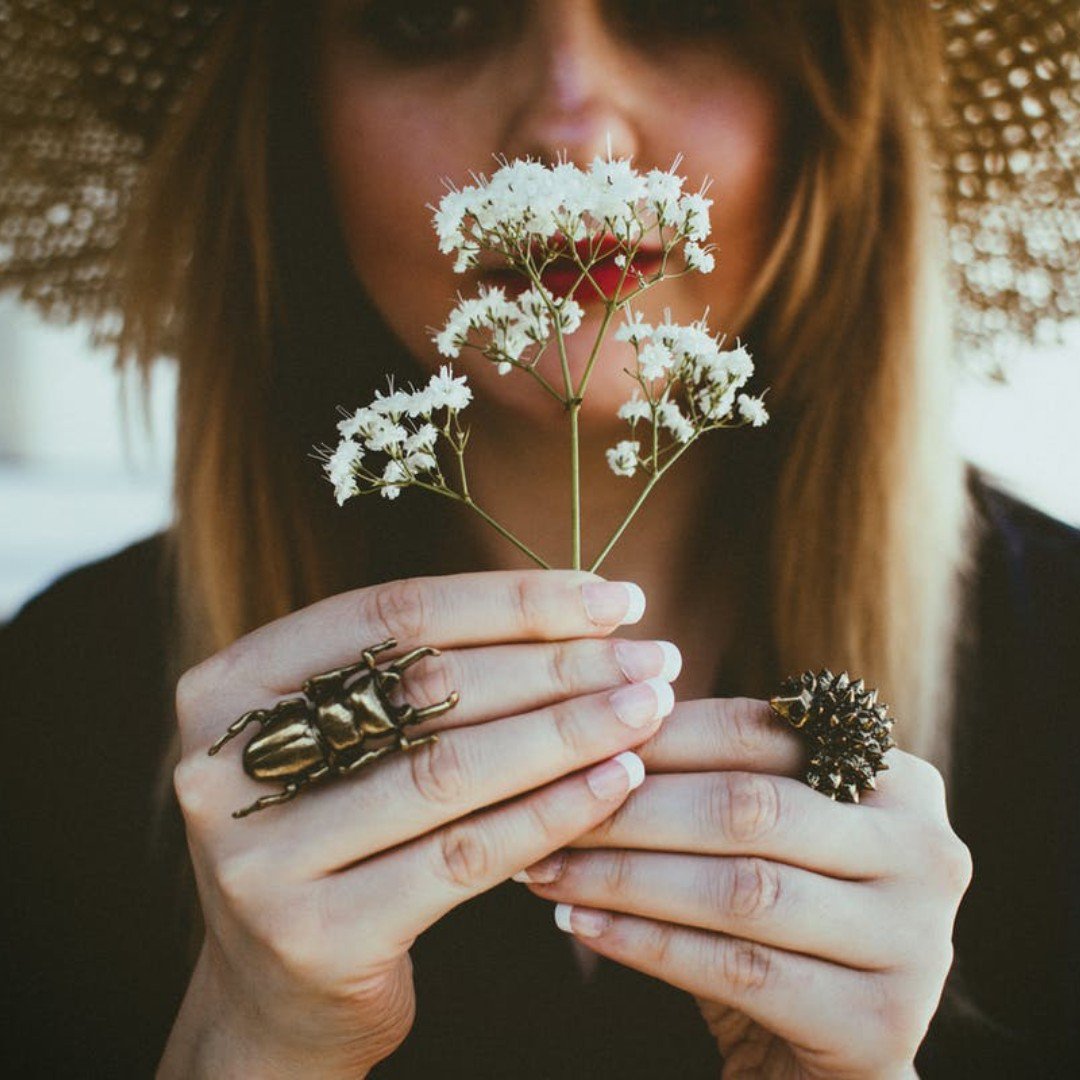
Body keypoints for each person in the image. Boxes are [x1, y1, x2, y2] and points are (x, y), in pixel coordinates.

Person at [2, 1, 1078, 1077]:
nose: (573, 136)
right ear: (291, 117)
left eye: (690, 9)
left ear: (840, 109)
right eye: (438, 18)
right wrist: (241, 1054)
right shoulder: (51, 716)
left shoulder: (1059, 682)